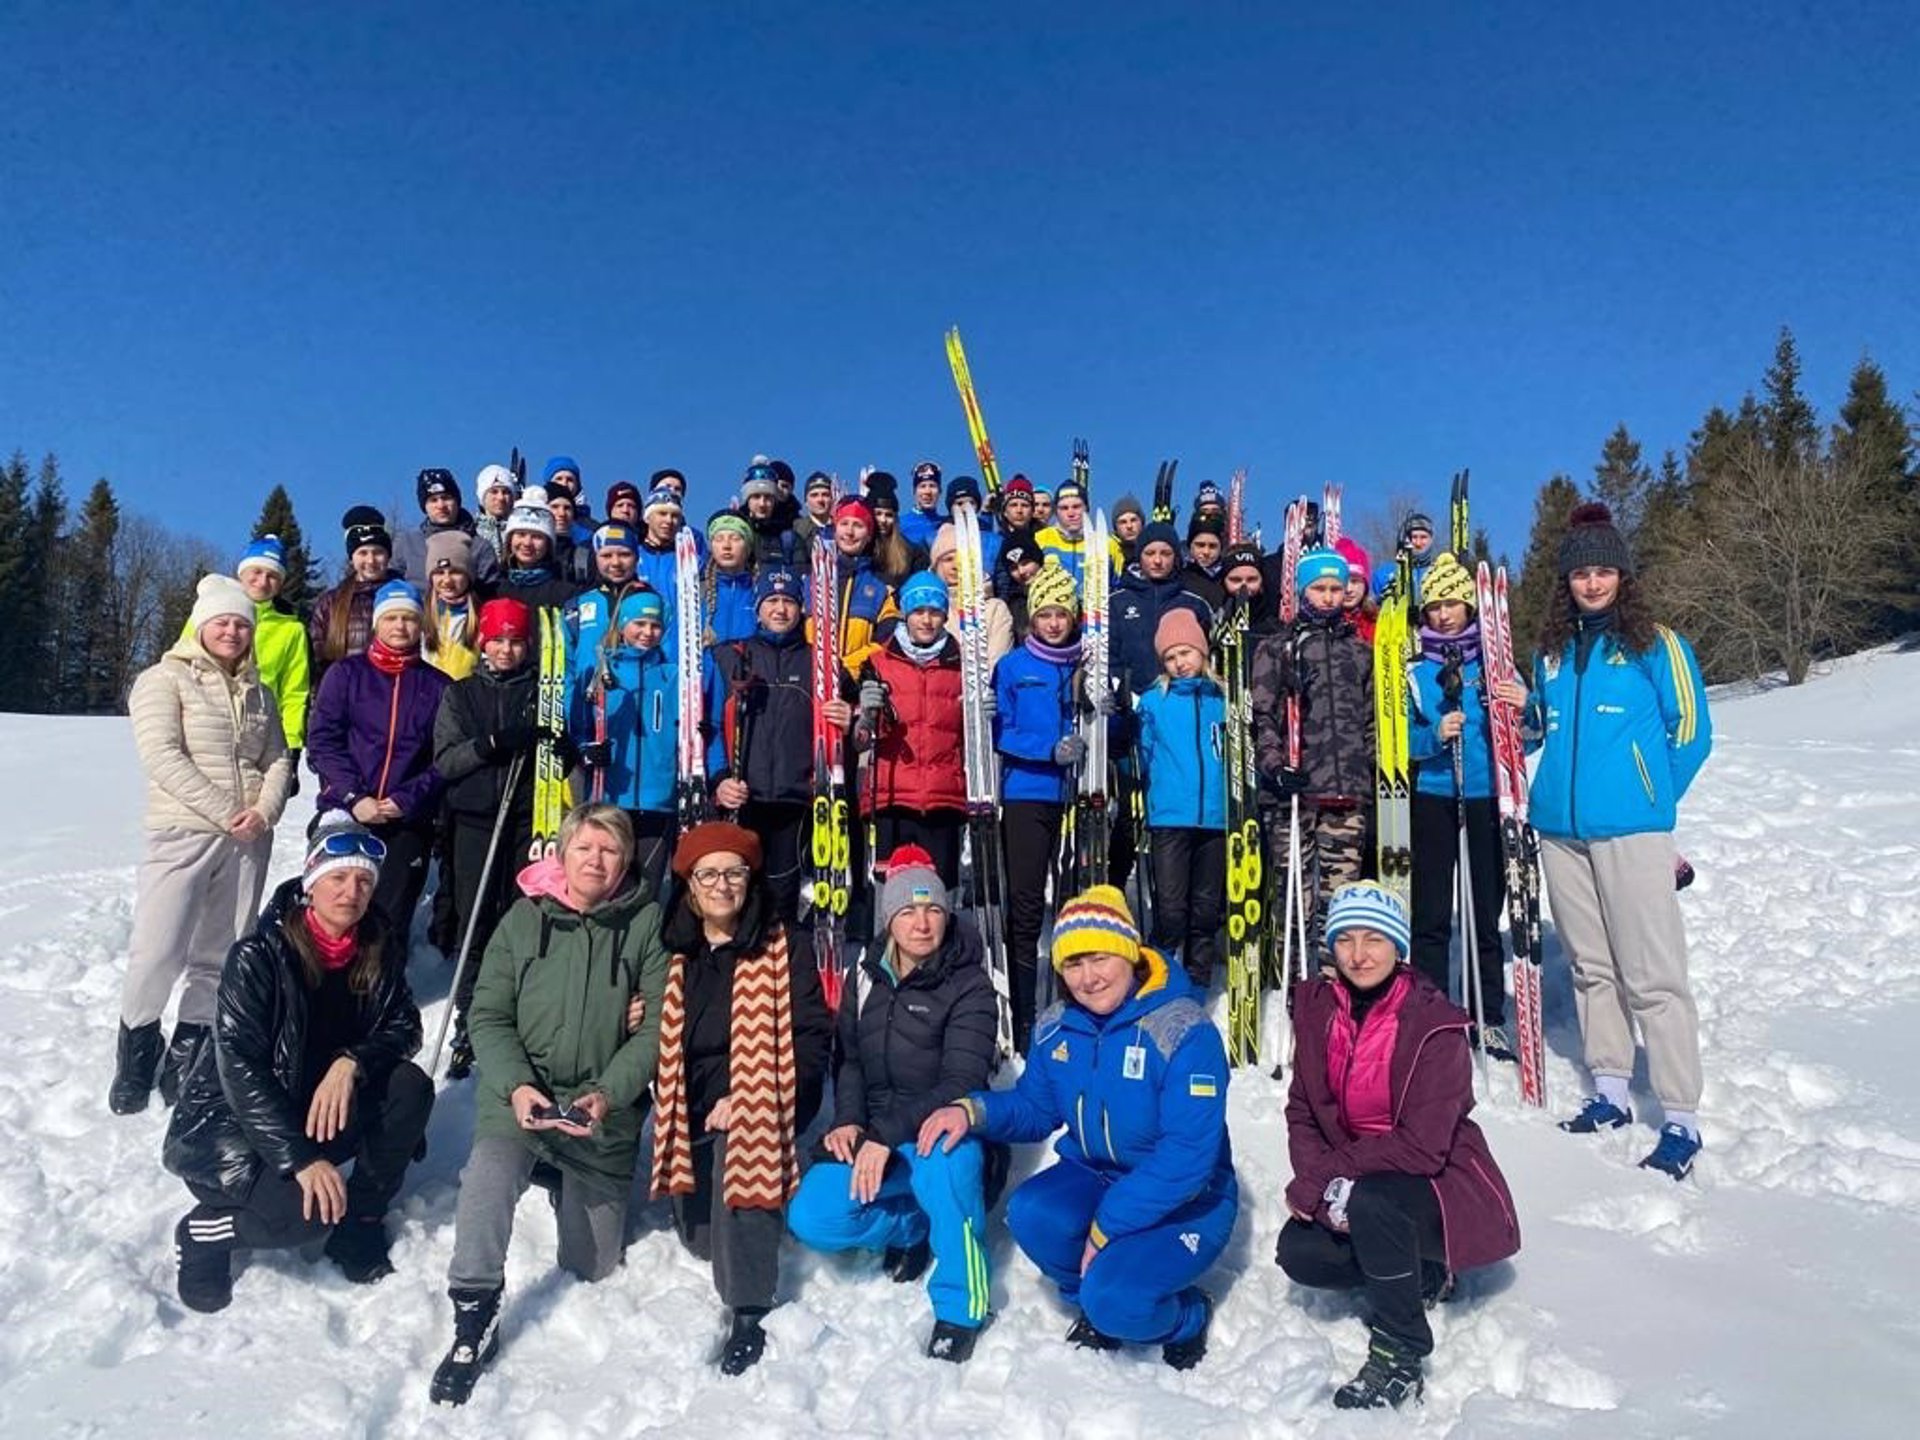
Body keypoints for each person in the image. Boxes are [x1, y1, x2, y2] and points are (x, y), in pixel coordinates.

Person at [919, 887, 1233, 1369]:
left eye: (1099, 958)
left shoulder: (1183, 1030)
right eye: (1072, 963)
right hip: (1100, 1178)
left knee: (1119, 1300)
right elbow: (1035, 1108)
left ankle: (1185, 1316)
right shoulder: (1058, 1025)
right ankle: (1094, 1297)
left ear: (1129, 952)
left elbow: (1187, 1159)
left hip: (1188, 1202)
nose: (1087, 978)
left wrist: (1108, 1224)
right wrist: (973, 1111)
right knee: (1032, 1213)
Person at [432, 804, 670, 1406]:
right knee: (488, 1177)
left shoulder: (645, 924)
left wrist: (609, 1094)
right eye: (585, 847)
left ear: (626, 862)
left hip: (599, 1112)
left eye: (610, 850)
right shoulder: (523, 918)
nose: (596, 859)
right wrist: (515, 1084)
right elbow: (487, 1013)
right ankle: (473, 1305)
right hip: (521, 1101)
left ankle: (567, 1175)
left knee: (592, 1264)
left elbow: (657, 1030)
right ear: (562, 854)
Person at [163, 820, 433, 1312]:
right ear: (312, 881)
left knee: (409, 1086)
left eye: (364, 881)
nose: (352, 892)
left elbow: (404, 1026)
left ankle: (363, 1222)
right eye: (338, 878)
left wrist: (351, 1062)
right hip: (236, 1129)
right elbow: (241, 1069)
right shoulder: (259, 955)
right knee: (305, 1217)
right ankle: (204, 1232)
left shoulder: (375, 943)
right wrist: (302, 1160)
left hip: (317, 1103)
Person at [1518, 503, 1712, 1179]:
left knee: (1653, 974)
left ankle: (1681, 1115)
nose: (1593, 583)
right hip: (1561, 832)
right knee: (1591, 966)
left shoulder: (1657, 644)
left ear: (1623, 576)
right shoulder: (1552, 652)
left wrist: (1648, 798)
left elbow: (1690, 731)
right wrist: (1515, 713)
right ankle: (1609, 1089)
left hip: (1632, 830)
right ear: (1565, 580)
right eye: (1581, 573)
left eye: (1605, 571)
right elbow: (1537, 730)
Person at [1276, 882, 1520, 1410]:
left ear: (1398, 947)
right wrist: (1321, 1179)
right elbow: (1302, 1109)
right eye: (1346, 940)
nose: (1359, 955)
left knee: (1376, 1202)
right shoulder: (1318, 1009)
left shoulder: (1436, 1025)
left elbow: (1423, 1147)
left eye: (1374, 940)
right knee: (1300, 1254)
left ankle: (1401, 1349)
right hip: (1358, 1183)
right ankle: (1418, 1272)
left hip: (1435, 1189)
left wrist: (1330, 1178)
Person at [786, 847, 999, 1362]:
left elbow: (961, 1079)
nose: (922, 924)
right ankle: (914, 1226)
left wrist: (883, 1135)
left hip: (945, 1130)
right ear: (889, 918)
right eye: (907, 911)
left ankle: (960, 1305)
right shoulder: (865, 974)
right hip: (879, 1134)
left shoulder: (970, 984)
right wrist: (850, 1121)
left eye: (933, 911)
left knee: (944, 1167)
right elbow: (851, 1060)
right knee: (813, 1214)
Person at [649, 822, 833, 1375]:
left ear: (751, 880)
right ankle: (736, 1222)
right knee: (704, 1242)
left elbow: (811, 1038)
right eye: (708, 873)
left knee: (743, 1137)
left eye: (734, 872)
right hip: (689, 1115)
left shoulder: (784, 945)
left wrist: (753, 1095)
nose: (722, 885)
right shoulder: (674, 951)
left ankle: (750, 1308)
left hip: (761, 1107)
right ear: (689, 884)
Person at [117, 575, 294, 1114]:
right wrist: (227, 812)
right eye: (223, 622)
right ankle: (137, 1052)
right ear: (201, 625)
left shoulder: (260, 693)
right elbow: (162, 756)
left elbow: (278, 760)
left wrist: (263, 812)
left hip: (247, 841)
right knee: (159, 948)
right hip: (183, 831)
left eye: (242, 624)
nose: (233, 631)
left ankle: (188, 1052)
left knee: (221, 954)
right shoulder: (163, 680)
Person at [1406, 553, 1511, 1057]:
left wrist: (1522, 707)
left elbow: (1527, 736)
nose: (1444, 615)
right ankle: (1431, 1012)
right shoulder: (1414, 670)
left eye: (1452, 604)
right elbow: (1397, 737)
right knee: (1430, 913)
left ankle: (1487, 1014)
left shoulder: (1492, 665)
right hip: (1433, 796)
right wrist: (1430, 735)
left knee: (1483, 911)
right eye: (1434, 607)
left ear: (1470, 606)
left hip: (1485, 795)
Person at [431, 596, 541, 1078]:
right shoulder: (461, 694)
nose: (506, 649)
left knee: (521, 923)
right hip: (474, 820)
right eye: (497, 640)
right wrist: (488, 745)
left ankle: (514, 1016)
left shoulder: (542, 691)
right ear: (482, 642)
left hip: (524, 819)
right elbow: (445, 761)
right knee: (476, 923)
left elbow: (561, 752)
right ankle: (469, 1022)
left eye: (515, 641)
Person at [307, 580, 450, 947]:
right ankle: (325, 993)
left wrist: (407, 798)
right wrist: (354, 796)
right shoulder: (346, 674)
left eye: (409, 619)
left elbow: (445, 757)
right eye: (391, 618)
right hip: (347, 808)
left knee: (389, 918)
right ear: (376, 623)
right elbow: (323, 742)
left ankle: (381, 994)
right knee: (337, 910)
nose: (400, 626)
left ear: (421, 626)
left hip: (406, 818)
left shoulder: (439, 686)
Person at [1252, 547, 1373, 961]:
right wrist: (1274, 766)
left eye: (1336, 589)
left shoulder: (1359, 652)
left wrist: (1368, 772)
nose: (1328, 597)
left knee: (1338, 903)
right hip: (1294, 792)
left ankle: (1332, 983)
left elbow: (1372, 720)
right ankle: (1294, 985)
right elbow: (1262, 716)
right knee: (1295, 897)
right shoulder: (1279, 648)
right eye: (1319, 588)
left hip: (1347, 793)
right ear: (1303, 591)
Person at [707, 568, 847, 923]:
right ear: (758, 609)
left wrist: (851, 717)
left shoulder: (823, 663)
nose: (781, 609)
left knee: (785, 897)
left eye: (789, 601)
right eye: (772, 601)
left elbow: (858, 722)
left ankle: (783, 968)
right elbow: (707, 727)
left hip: (797, 800)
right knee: (738, 895)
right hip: (743, 797)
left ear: (801, 609)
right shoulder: (730, 656)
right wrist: (719, 779)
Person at [993, 561, 1083, 1052]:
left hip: (1078, 797)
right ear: (1032, 615)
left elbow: (1109, 735)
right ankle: (1025, 1015)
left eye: (1061, 614)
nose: (1053, 622)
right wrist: (1047, 747)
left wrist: (1107, 717)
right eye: (1045, 613)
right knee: (1027, 906)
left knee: (1071, 907)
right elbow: (999, 730)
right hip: (1027, 792)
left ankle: (1072, 1004)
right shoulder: (1012, 666)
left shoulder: (1086, 664)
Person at [1133, 608, 1227, 988]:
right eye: (1170, 658)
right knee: (1172, 912)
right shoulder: (1155, 701)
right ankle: (1156, 979)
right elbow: (1142, 751)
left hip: (1217, 818)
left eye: (1185, 653)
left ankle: (1197, 988)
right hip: (1171, 817)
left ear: (1202, 651)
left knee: (1206, 913)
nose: (1179, 663)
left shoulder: (1223, 698)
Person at [856, 571, 967, 887]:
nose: (927, 620)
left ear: (945, 615)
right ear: (906, 613)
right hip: (892, 798)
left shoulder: (961, 663)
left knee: (938, 890)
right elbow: (862, 740)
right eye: (919, 611)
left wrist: (982, 712)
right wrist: (865, 713)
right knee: (892, 890)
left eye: (935, 612)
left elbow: (970, 735)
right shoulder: (878, 662)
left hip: (942, 797)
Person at [574, 588, 678, 896]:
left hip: (659, 799)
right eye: (640, 624)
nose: (647, 632)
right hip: (611, 796)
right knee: (608, 884)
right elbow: (580, 727)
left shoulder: (673, 675)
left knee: (647, 887)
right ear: (623, 626)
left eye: (655, 625)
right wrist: (587, 751)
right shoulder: (602, 673)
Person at [230, 536, 311, 788]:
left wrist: (291, 752)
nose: (263, 581)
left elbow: (294, 693)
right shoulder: (211, 614)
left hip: (262, 736)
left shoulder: (291, 629)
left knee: (255, 819)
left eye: (273, 575)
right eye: (256, 572)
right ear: (242, 573)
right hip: (209, 728)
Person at [309, 505, 399, 681]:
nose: (371, 560)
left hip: (394, 693)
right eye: (363, 553)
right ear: (352, 558)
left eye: (378, 552)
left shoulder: (403, 597)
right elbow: (317, 659)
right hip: (345, 694)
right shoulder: (332, 603)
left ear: (388, 556)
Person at [394, 466, 500, 586]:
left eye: (446, 498)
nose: (441, 505)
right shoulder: (408, 544)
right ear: (424, 506)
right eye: (433, 500)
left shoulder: (479, 547)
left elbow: (491, 591)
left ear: (457, 501)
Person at [930, 523, 1013, 666]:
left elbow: (998, 661)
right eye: (948, 559)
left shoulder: (995, 608)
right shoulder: (927, 609)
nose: (956, 565)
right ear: (936, 566)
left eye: (961, 558)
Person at [494, 488, 581, 612]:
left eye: (537, 537)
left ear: (548, 544)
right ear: (510, 540)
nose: (527, 543)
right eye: (521, 534)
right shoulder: (495, 590)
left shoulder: (566, 593)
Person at [1035, 480, 1122, 590]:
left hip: (1095, 605)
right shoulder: (1040, 539)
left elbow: (1121, 586)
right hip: (1053, 605)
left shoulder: (1107, 544)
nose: (1071, 513)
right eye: (1064, 508)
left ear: (1087, 508)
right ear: (1056, 512)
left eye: (1076, 507)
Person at [421, 530, 481, 680]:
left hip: (466, 697)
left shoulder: (481, 615)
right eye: (439, 573)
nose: (447, 580)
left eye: (455, 572)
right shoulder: (421, 615)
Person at [700, 512, 761, 644]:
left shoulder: (761, 592)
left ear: (748, 547)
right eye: (719, 539)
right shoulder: (698, 592)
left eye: (735, 538)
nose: (726, 546)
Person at [472, 463, 519, 570]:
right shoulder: (471, 529)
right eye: (494, 492)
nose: (500, 497)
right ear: (483, 497)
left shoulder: (520, 529)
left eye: (506, 492)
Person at [901, 460, 945, 551]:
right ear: (914, 492)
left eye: (932, 486)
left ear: (940, 491)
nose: (927, 491)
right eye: (922, 486)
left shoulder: (947, 524)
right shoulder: (899, 524)